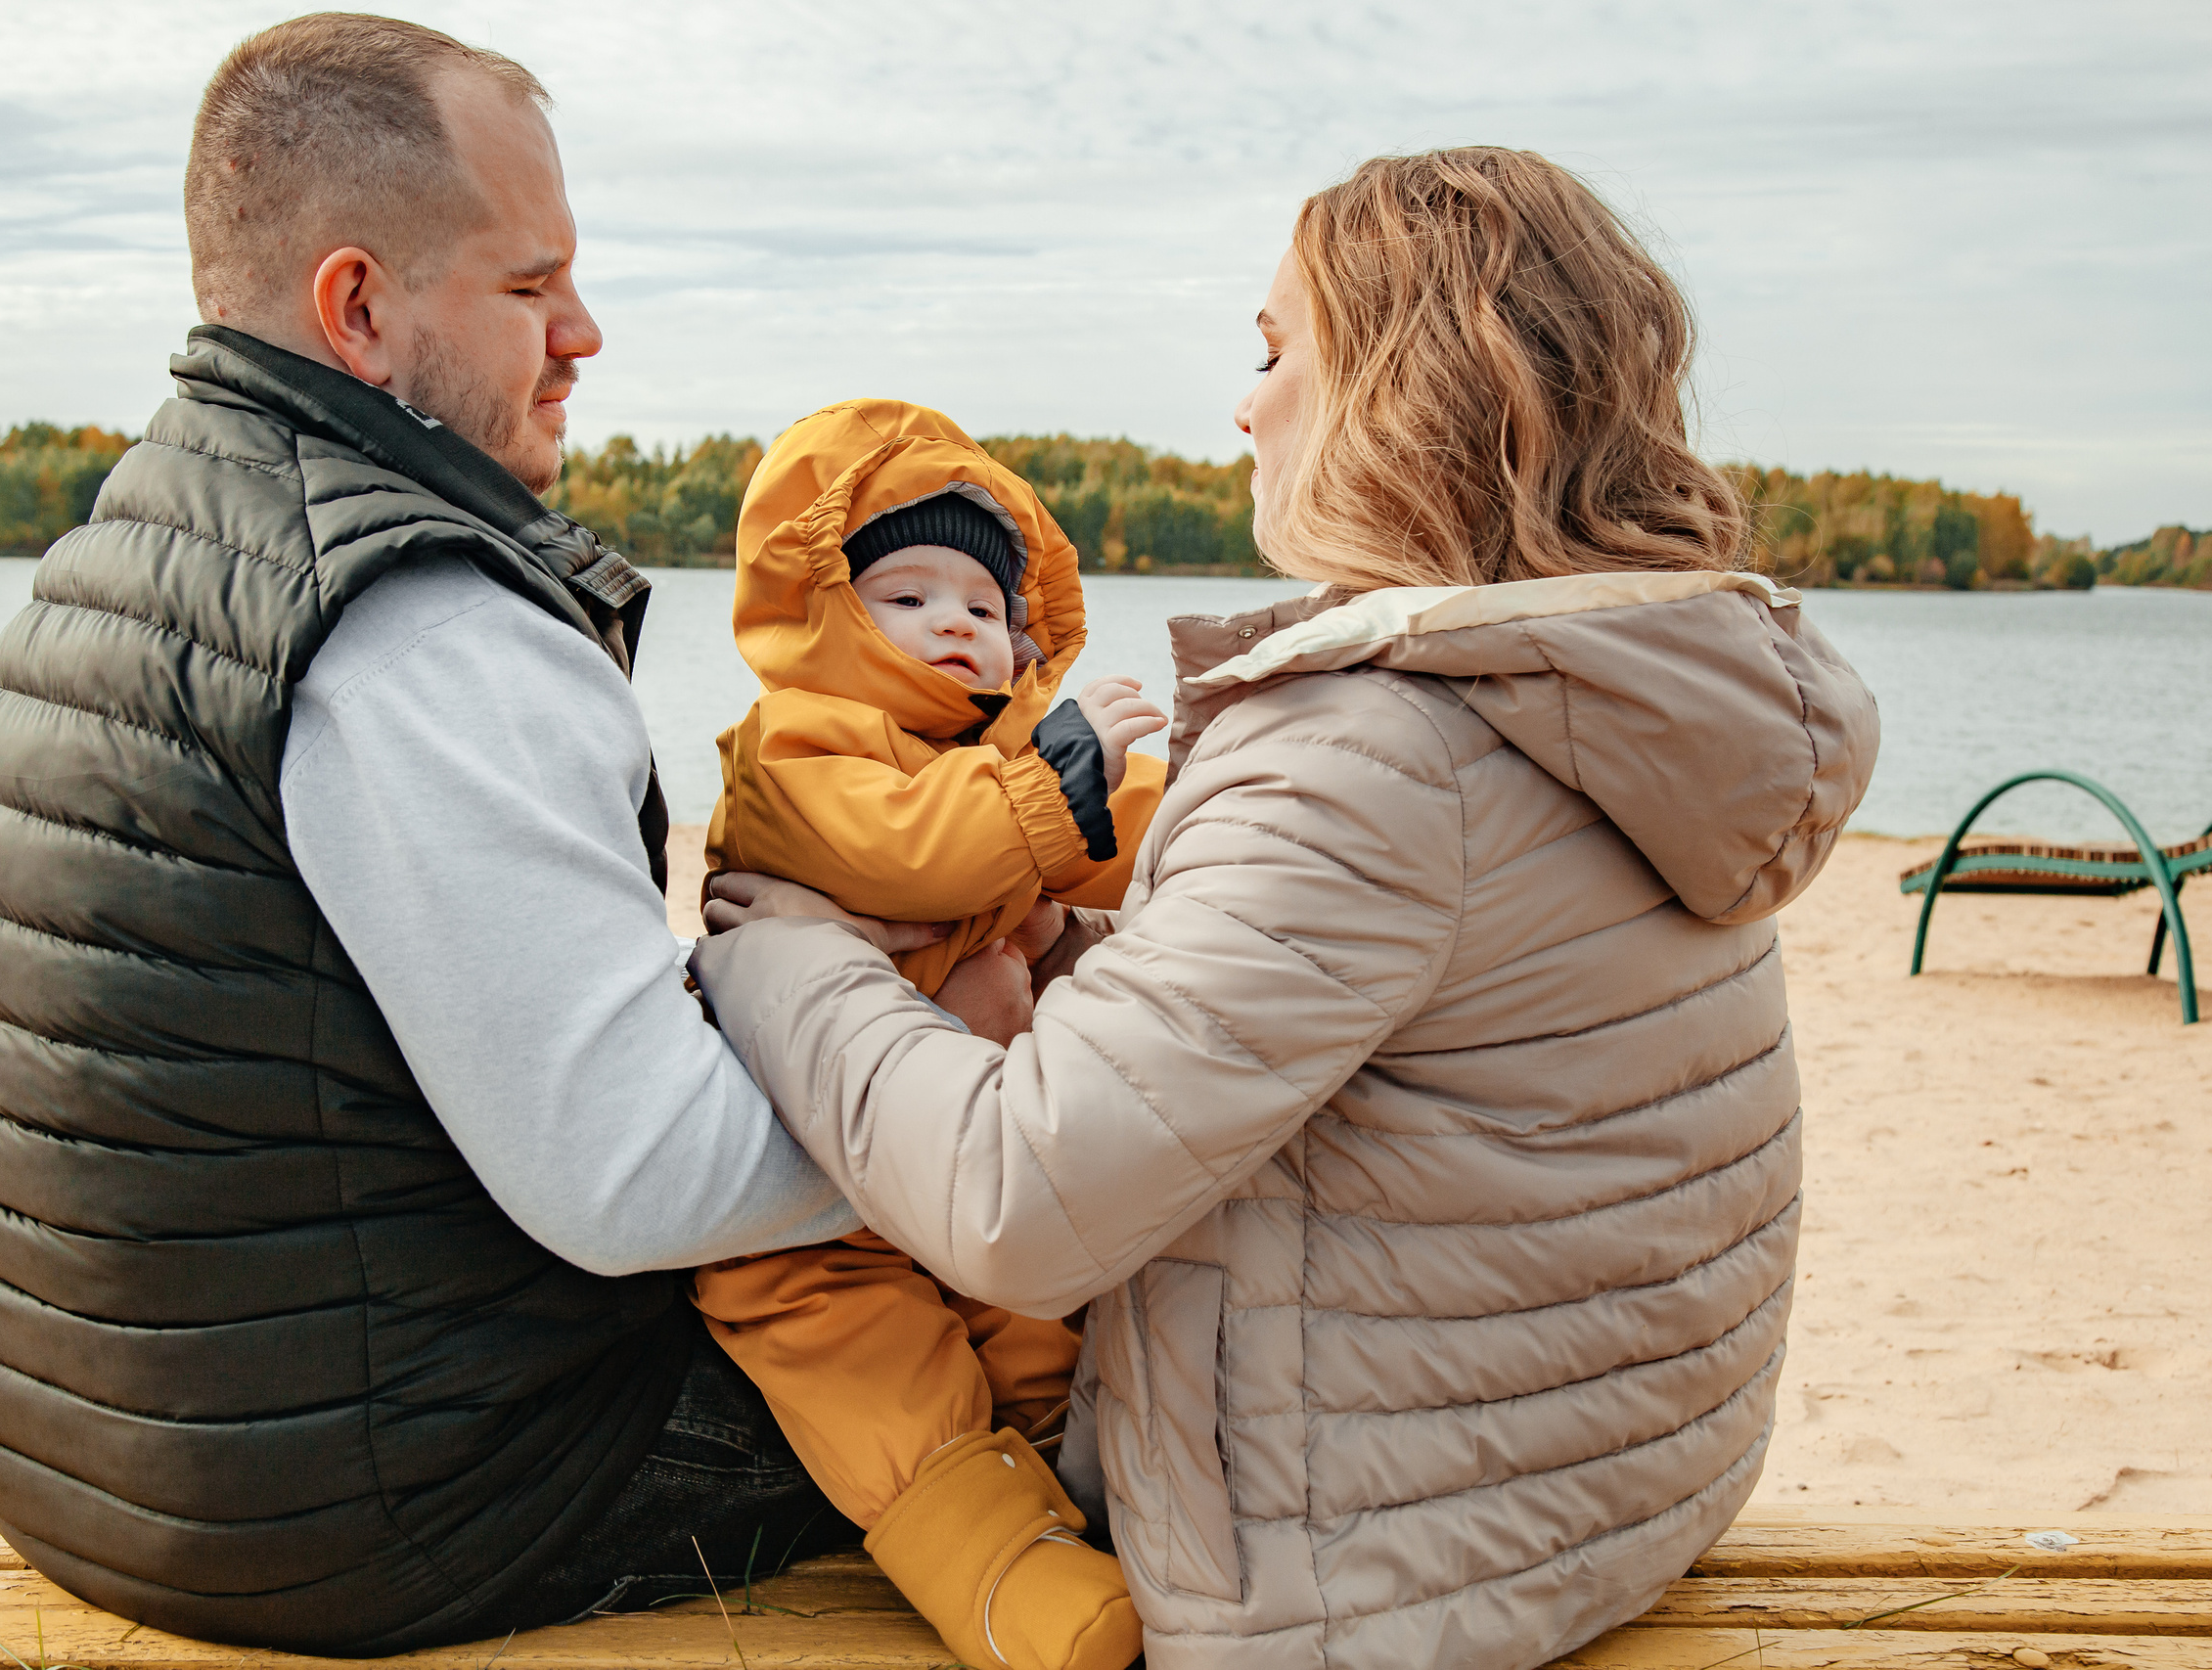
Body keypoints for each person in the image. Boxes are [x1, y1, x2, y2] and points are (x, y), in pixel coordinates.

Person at [0, 14, 1014, 1654]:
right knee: (1038, 1307)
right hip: (384, 1506)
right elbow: (641, 1177)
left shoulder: (154, 523)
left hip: (77, 1442)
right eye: (527, 286)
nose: (584, 333)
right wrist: (955, 1072)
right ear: (357, 309)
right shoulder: (422, 627)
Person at [694, 147, 1880, 1669]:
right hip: (1599, 1496)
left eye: (1273, 351)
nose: (1244, 405)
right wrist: (1071, 952)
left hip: (1347, 1583)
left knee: (698, 1311)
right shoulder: (1616, 688)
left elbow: (1017, 1202)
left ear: (1405, 391)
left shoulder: (1374, 752)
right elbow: (1407, 1016)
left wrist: (786, 950)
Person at [693, 399, 1167, 1670]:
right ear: (831, 613)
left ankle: (1085, 1509)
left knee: (1037, 1323)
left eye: (981, 600)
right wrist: (1061, 778)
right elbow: (903, 854)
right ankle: (1000, 1574)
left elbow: (1133, 841)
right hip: (810, 1197)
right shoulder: (799, 743)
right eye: (906, 596)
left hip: (962, 1146)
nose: (954, 620)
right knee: (869, 1368)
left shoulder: (1004, 756)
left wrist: (1185, 792)